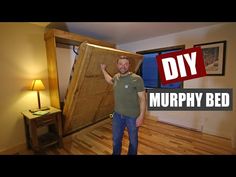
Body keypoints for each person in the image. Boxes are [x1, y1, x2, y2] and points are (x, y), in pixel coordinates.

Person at [100, 55, 146, 155]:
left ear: (129, 65)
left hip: (133, 117)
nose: (123, 66)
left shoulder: (137, 79)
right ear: (117, 65)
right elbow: (109, 80)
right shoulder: (116, 77)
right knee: (116, 140)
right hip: (117, 116)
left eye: (125, 64)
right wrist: (103, 69)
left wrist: (141, 116)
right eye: (120, 64)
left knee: (133, 141)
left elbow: (143, 98)